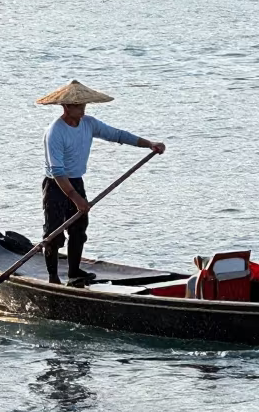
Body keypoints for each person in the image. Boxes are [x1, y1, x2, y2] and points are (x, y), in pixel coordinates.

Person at [36, 79, 165, 285]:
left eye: (85, 105)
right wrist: (77, 199)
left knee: (79, 228)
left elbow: (116, 135)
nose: (83, 110)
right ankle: (53, 277)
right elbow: (58, 172)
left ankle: (74, 271)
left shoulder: (89, 123)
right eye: (79, 106)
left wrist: (149, 144)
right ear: (66, 107)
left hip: (76, 181)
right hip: (56, 185)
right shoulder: (55, 132)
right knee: (54, 232)